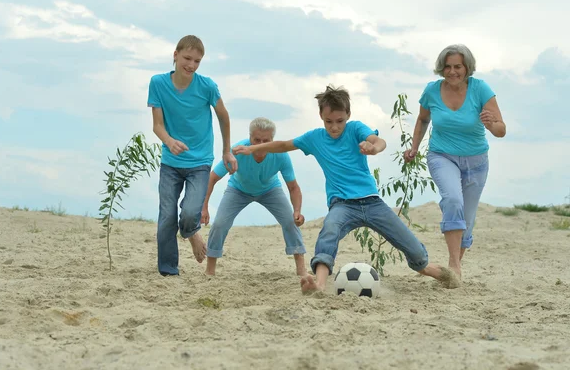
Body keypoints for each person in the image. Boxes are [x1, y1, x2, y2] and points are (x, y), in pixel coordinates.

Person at [233, 85, 459, 294]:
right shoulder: (314, 138)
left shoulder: (355, 129)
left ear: (348, 116)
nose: (334, 127)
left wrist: (373, 147)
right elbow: (283, 145)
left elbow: (378, 141)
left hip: (372, 202)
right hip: (341, 204)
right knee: (328, 231)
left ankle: (433, 270)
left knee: (411, 245)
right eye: (329, 121)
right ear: (321, 116)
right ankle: (319, 284)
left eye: (339, 121)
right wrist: (253, 148)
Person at [404, 44, 506, 280]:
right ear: (441, 68)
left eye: (457, 66)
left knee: (467, 220)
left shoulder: (481, 89)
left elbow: (501, 130)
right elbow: (422, 119)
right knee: (452, 199)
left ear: (467, 67)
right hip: (442, 155)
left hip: (477, 161)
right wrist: (414, 147)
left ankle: (453, 269)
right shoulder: (432, 90)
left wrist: (491, 124)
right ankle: (454, 264)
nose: (452, 71)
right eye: (447, 66)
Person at [147, 35, 238, 276]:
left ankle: (190, 232)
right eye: (187, 58)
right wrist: (169, 141)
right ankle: (168, 271)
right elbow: (157, 125)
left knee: (189, 213)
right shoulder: (157, 83)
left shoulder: (207, 86)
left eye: (197, 61)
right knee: (167, 216)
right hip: (170, 162)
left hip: (200, 162)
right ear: (175, 55)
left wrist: (226, 151)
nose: (192, 65)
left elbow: (223, 115)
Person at [201, 117, 307, 277]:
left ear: (273, 140)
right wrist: (204, 207)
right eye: (256, 139)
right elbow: (212, 178)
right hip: (238, 189)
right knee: (220, 224)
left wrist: (297, 211)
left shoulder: (280, 155)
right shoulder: (237, 151)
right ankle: (210, 270)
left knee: (290, 221)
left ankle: (301, 269)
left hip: (270, 189)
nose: (260, 144)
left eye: (266, 140)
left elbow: (293, 187)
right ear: (250, 138)